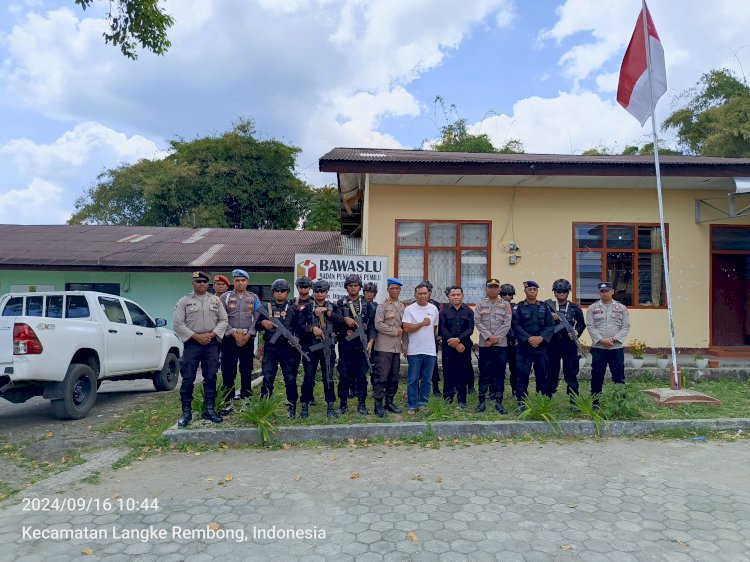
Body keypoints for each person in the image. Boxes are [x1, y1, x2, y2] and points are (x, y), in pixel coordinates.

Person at [173, 271, 228, 427]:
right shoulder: (184, 301)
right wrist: (196, 337)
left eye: (204, 281)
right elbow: (178, 324)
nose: (202, 283)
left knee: (210, 376)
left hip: (211, 343)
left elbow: (224, 320)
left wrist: (211, 335)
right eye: (198, 281)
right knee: (188, 377)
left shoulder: (215, 300)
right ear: (193, 284)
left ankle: (209, 410)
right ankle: (186, 412)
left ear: (208, 284)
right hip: (192, 343)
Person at [294, 279, 341, 419]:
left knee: (328, 377)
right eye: (317, 291)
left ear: (327, 292)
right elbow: (298, 326)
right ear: (313, 292)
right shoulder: (306, 308)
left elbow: (341, 322)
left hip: (328, 347)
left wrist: (328, 312)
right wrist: (311, 328)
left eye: (323, 291)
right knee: (308, 377)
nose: (320, 294)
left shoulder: (333, 307)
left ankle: (330, 406)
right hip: (311, 346)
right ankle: (304, 405)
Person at [257, 278, 301, 418]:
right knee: (268, 376)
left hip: (289, 349)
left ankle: (292, 404)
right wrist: (264, 322)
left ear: (287, 292)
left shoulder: (294, 308)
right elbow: (256, 326)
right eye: (277, 290)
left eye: (283, 291)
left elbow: (300, 326)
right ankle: (265, 404)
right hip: (271, 348)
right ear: (273, 292)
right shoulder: (266, 307)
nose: (280, 293)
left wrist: (297, 338)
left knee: (290, 377)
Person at [219, 269, 262, 409]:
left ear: (247, 282)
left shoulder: (254, 298)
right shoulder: (224, 297)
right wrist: (233, 333)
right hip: (230, 338)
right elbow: (221, 318)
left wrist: (249, 334)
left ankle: (246, 399)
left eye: (243, 280)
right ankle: (227, 402)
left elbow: (258, 318)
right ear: (233, 282)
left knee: (246, 369)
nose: (240, 283)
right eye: (237, 280)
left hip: (247, 338)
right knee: (229, 370)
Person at [335, 274, 376, 415]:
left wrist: (371, 341)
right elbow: (334, 319)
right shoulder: (340, 303)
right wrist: (344, 318)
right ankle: (343, 404)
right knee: (344, 375)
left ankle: (362, 404)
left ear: (359, 287)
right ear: (346, 287)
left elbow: (372, 325)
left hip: (361, 346)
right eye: (350, 285)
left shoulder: (367, 304)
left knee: (361, 376)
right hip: (345, 346)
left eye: (356, 285)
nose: (353, 287)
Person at [511, 281, 554, 415]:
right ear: (525, 291)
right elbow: (515, 325)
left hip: (541, 347)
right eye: (529, 289)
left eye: (534, 289)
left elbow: (550, 325)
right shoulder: (518, 307)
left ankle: (542, 402)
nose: (532, 291)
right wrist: (529, 338)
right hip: (525, 347)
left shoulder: (544, 307)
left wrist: (541, 338)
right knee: (522, 375)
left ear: (537, 291)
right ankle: (521, 402)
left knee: (542, 374)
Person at [586, 281, 631, 405]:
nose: (604, 293)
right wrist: (601, 340)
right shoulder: (593, 308)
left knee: (618, 376)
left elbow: (625, 327)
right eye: (602, 291)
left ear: (612, 291)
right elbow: (590, 326)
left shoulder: (621, 308)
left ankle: (621, 403)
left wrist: (613, 340)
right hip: (598, 348)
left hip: (616, 348)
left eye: (607, 291)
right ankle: (595, 403)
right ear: (599, 293)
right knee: (597, 376)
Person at [474, 278, 512, 414]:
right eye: (490, 287)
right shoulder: (480, 304)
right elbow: (477, 322)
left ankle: (499, 402)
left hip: (500, 345)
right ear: (486, 289)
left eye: (495, 287)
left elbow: (507, 324)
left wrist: (496, 338)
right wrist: (489, 337)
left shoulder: (506, 304)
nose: (493, 289)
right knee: (484, 373)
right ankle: (481, 401)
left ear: (499, 289)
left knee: (499, 373)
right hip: (485, 345)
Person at [402, 283, 439, 414]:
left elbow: (434, 328)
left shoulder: (434, 309)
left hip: (430, 350)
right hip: (414, 350)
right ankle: (412, 404)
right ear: (415, 295)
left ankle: (423, 403)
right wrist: (421, 324)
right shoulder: (409, 309)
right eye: (420, 293)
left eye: (425, 293)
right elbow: (406, 328)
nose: (423, 296)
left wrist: (425, 326)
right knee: (412, 379)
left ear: (429, 294)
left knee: (427, 380)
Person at [545, 279, 585, 400]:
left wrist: (576, 332)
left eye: (564, 291)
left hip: (569, 345)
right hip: (552, 345)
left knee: (571, 373)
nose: (561, 293)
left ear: (568, 292)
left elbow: (581, 324)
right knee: (551, 372)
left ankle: (574, 400)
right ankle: (548, 398)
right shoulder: (547, 307)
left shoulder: (574, 308)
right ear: (554, 293)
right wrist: (549, 316)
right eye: (558, 291)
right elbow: (540, 322)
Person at [372, 278, 406, 417]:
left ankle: (389, 401)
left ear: (400, 290)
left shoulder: (403, 306)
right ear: (387, 289)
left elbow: (404, 327)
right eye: (392, 288)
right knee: (381, 376)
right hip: (383, 347)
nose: (394, 290)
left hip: (396, 348)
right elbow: (378, 324)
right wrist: (394, 331)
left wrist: (405, 345)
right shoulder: (382, 306)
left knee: (393, 377)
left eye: (397, 288)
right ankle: (378, 404)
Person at [439, 285, 474, 409]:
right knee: (448, 373)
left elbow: (470, 328)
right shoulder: (443, 311)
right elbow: (442, 329)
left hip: (464, 347)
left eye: (458, 295)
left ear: (462, 296)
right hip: (448, 347)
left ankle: (462, 401)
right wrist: (454, 343)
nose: (456, 297)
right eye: (453, 295)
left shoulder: (469, 311)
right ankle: (447, 400)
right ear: (449, 296)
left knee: (462, 373)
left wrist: (459, 340)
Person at [292, 276, 317, 405]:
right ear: (297, 288)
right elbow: (289, 323)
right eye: (301, 287)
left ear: (310, 288)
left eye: (306, 286)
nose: (303, 289)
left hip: (310, 341)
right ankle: (292, 397)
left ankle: (309, 395)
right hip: (294, 341)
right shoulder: (292, 302)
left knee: (309, 371)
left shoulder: (314, 303)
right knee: (292, 371)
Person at [500, 283, 520, 398]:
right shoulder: (495, 306)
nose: (507, 296)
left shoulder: (518, 307)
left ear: (513, 295)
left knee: (515, 369)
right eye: (504, 294)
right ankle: (497, 391)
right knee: (498, 369)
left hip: (514, 343)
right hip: (500, 342)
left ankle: (515, 390)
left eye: (510, 294)